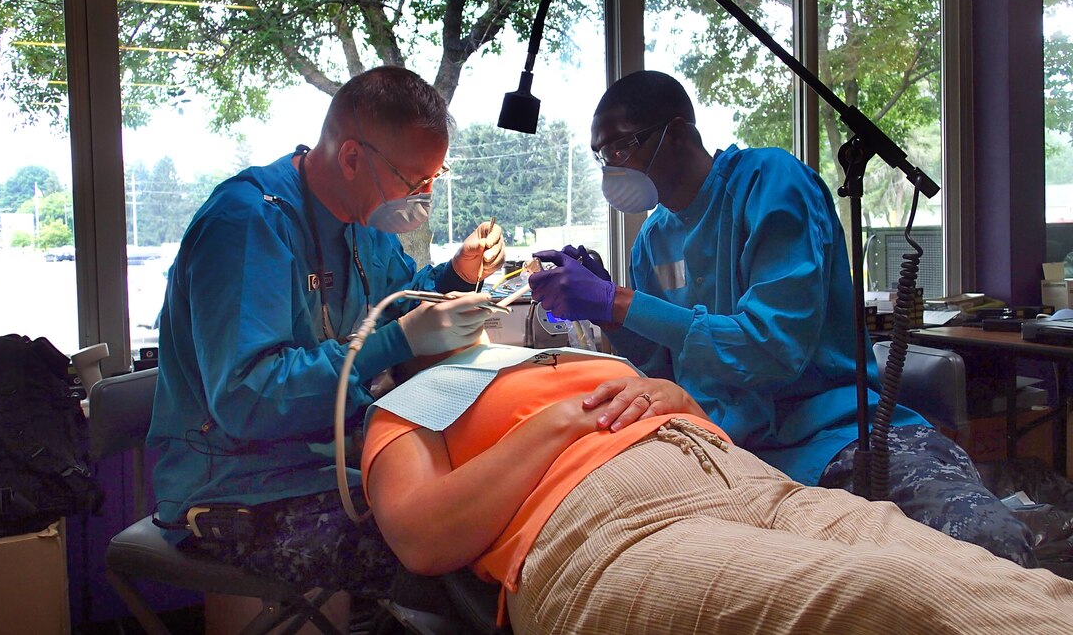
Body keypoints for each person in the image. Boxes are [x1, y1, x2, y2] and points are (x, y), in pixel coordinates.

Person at [527, 69, 1037, 567]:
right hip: (730, 450)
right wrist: (616, 320)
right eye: (600, 156)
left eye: (620, 148)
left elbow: (772, 349)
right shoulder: (652, 239)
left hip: (835, 437)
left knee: (985, 543)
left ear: (677, 134)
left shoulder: (770, 184)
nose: (610, 170)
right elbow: (661, 369)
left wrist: (619, 302)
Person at [363, 343, 1073, 634]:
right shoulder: (414, 401)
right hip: (610, 528)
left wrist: (675, 396)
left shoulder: (577, 352)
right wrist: (551, 425)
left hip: (757, 483)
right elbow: (422, 535)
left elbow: (704, 410)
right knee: (892, 596)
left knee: (984, 574)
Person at [146, 65, 505, 600]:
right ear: (353, 158)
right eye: (414, 180)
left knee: (492, 512)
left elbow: (397, 302)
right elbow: (250, 397)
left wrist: (455, 274)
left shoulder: (362, 223)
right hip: (236, 488)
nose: (426, 195)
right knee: (456, 557)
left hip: (327, 465)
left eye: (435, 177)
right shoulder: (248, 224)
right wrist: (399, 341)